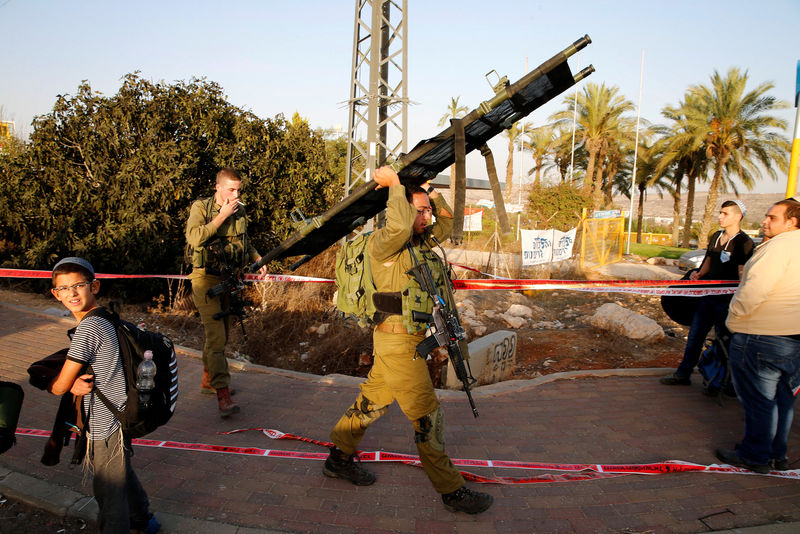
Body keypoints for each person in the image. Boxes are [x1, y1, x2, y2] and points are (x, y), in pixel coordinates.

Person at [322, 166, 493, 515]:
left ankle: (339, 458)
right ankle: (452, 491)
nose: (426, 217)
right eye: (420, 210)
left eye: (427, 209)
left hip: (401, 343)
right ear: (400, 209)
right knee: (428, 416)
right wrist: (396, 186)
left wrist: (430, 192)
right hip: (398, 343)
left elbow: (444, 224)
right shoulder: (386, 243)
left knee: (373, 403)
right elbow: (399, 224)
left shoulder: (418, 243)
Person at [48, 257, 159, 534]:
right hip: (120, 415)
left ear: (94, 286)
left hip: (106, 421)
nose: (71, 293)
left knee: (109, 493)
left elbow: (60, 385)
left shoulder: (88, 327)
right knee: (119, 474)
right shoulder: (105, 316)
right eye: (63, 288)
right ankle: (145, 520)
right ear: (55, 293)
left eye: (79, 285)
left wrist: (64, 383)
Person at [715, 199, 800, 473]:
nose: (765, 221)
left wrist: (733, 320)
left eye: (772, 218)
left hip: (761, 336)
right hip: (793, 337)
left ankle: (755, 455)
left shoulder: (777, 248)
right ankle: (777, 454)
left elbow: (754, 290)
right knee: (784, 400)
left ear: (792, 222)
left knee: (760, 400)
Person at [185, 167, 266, 417]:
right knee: (217, 339)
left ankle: (209, 382)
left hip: (230, 279)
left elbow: (245, 239)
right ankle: (223, 395)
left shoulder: (239, 210)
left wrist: (257, 258)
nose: (236, 194)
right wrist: (221, 216)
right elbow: (195, 238)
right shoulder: (202, 208)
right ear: (218, 188)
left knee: (221, 335)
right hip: (204, 280)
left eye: (238, 190)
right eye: (231, 189)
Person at [661, 200, 754, 385]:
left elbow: (743, 273)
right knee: (695, 336)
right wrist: (699, 273)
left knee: (723, 340)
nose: (720, 217)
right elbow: (709, 260)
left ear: (738, 217)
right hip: (707, 298)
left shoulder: (745, 243)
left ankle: (719, 381)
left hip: (727, 302)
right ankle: (683, 374)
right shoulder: (716, 237)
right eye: (720, 212)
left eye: (725, 213)